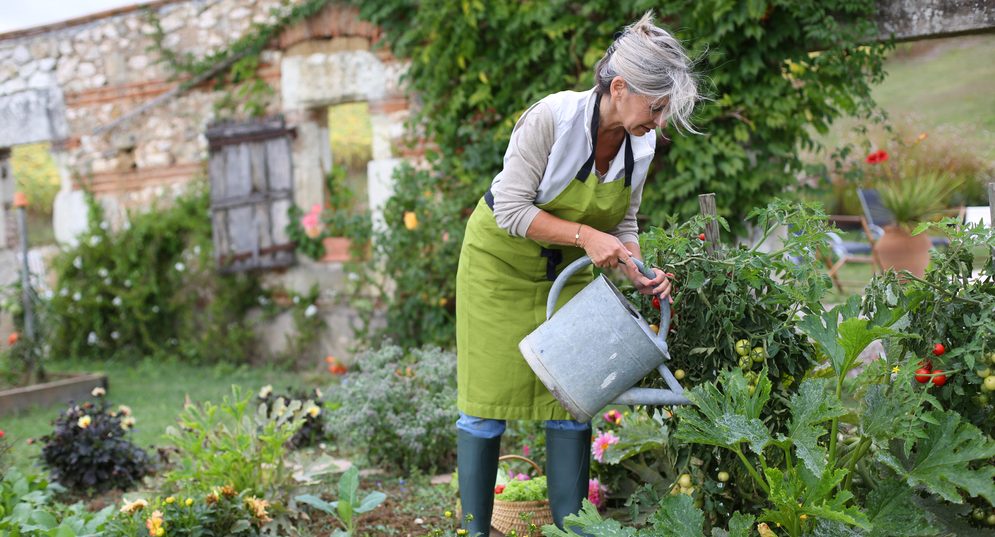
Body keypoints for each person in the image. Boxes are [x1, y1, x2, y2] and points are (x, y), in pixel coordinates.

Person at [454, 11, 699, 535]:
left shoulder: (643, 143)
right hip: (498, 270)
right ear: (619, 87)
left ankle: (573, 529)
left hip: (570, 276)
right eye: (655, 108)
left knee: (574, 401)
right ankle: (473, 531)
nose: (658, 121)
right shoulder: (552, 120)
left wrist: (638, 268)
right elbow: (511, 210)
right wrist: (587, 237)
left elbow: (624, 219)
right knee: (484, 407)